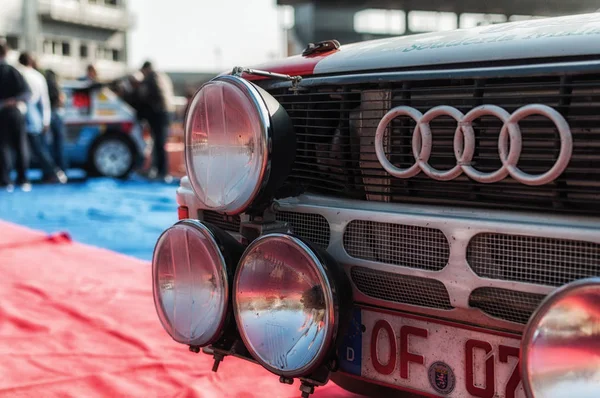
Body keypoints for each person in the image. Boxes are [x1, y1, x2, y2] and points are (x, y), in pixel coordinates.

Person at [17, 52, 67, 184]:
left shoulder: (19, 73)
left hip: (20, 115)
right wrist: (45, 120)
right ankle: (53, 172)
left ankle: (49, 172)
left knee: (23, 148)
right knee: (39, 148)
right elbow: (44, 100)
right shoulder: (38, 76)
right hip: (35, 118)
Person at [0, 41, 31, 191]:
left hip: (3, 113)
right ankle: (23, 178)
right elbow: (27, 93)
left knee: (3, 146)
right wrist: (14, 101)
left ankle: (6, 180)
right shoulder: (13, 71)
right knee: (20, 145)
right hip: (15, 112)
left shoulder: (10, 70)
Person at [138, 61, 175, 182]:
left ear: (146, 69)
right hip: (167, 113)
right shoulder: (162, 76)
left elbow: (146, 96)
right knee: (160, 143)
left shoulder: (151, 78)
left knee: (159, 143)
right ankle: (160, 171)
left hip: (158, 114)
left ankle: (162, 172)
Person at [45, 69, 68, 171]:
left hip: (51, 114)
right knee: (59, 144)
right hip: (57, 114)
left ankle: (55, 169)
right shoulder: (56, 86)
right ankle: (62, 168)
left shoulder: (48, 85)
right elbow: (61, 100)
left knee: (52, 145)